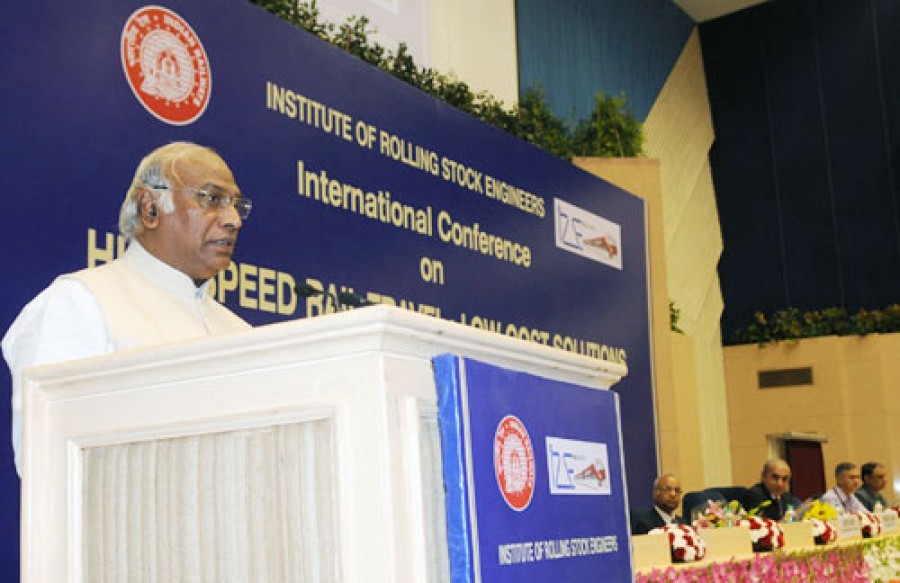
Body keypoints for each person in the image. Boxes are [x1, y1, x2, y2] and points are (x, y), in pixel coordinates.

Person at [2, 142, 253, 474]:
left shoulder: (240, 332)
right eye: (211, 199)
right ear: (150, 208)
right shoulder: (80, 303)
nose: (233, 220)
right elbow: (51, 468)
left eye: (235, 205)